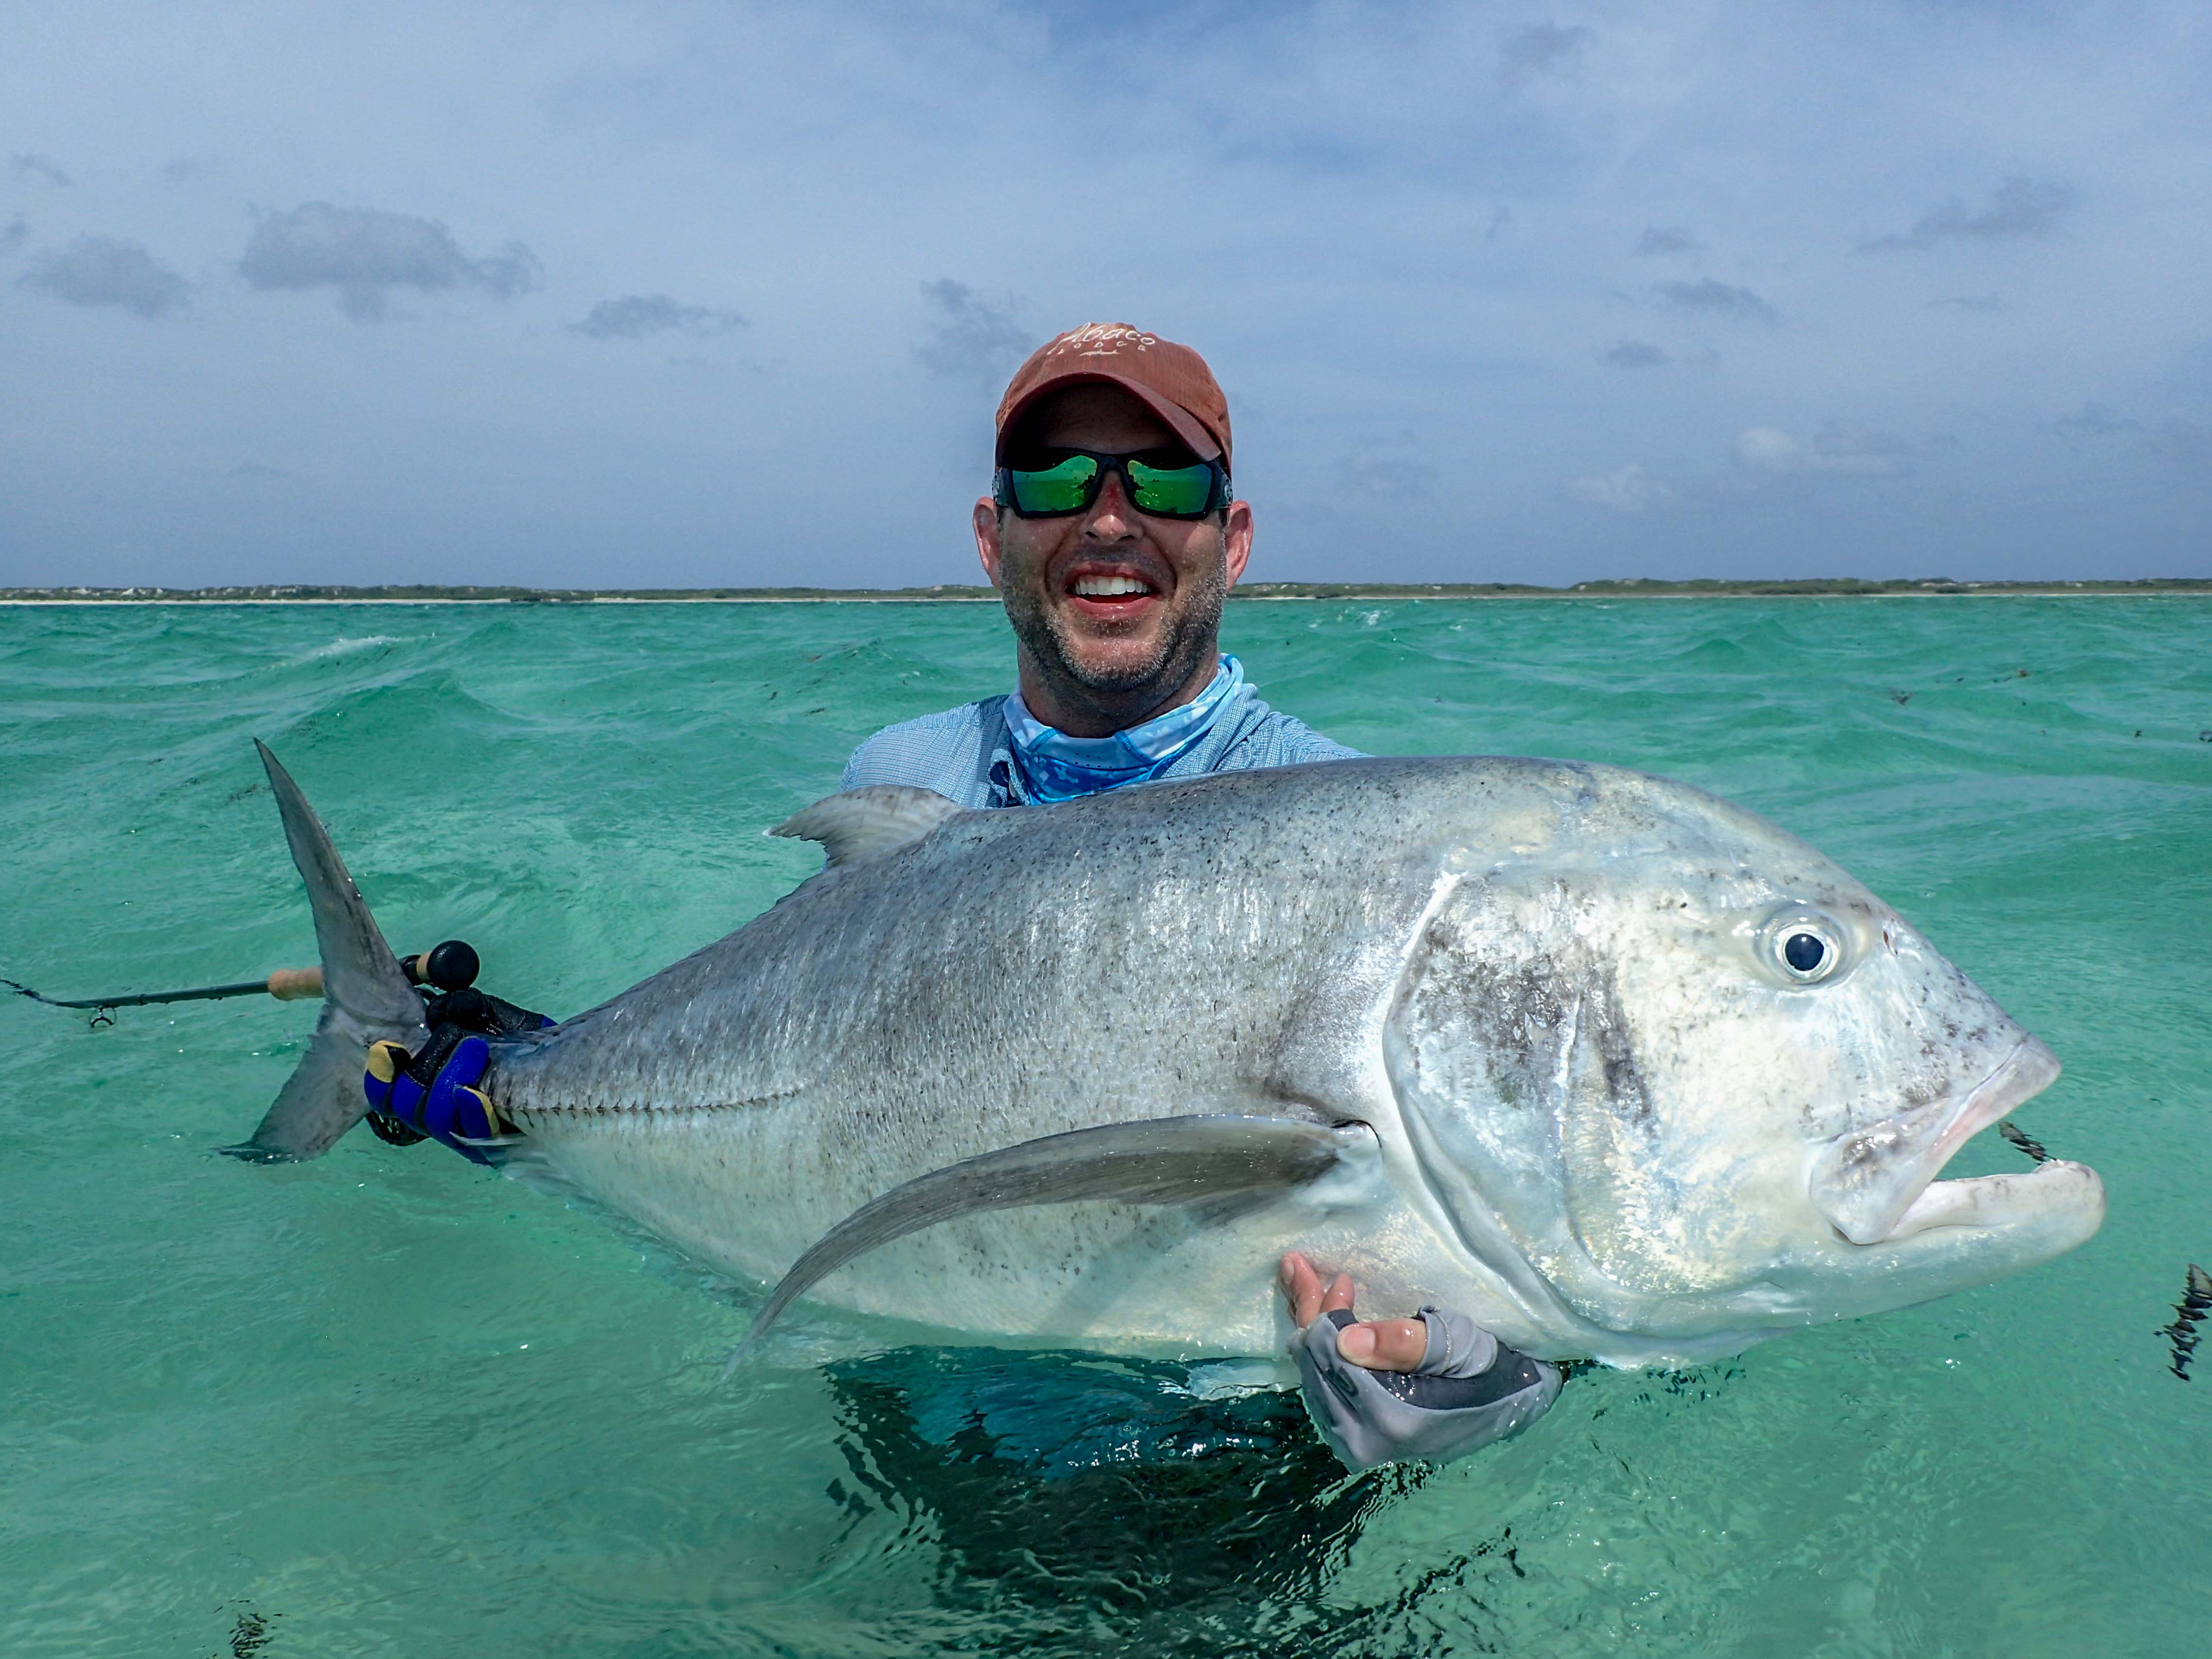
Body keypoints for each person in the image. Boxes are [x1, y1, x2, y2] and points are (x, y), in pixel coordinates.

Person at [366, 321, 1562, 1472]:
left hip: (1231, 1494)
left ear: (1231, 536)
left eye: (1164, 481)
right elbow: (789, 1098)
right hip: (915, 1447)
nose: (1109, 518)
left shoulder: (1353, 829)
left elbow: (1511, 1198)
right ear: (991, 537)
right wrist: (526, 1090)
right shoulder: (904, 782)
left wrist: (1499, 1378)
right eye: (1054, 482)